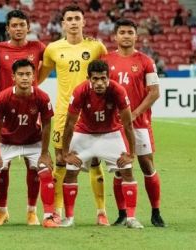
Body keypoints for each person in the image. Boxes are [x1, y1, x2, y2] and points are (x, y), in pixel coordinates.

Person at [38, 4, 109, 225]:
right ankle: (58, 211)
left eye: (77, 18)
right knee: (60, 161)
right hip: (62, 113)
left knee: (95, 160)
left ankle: (101, 212)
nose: (74, 22)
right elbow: (37, 79)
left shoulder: (97, 47)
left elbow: (106, 78)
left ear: (84, 21)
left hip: (90, 113)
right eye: (69, 19)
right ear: (63, 23)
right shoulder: (52, 49)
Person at [0, 59, 58, 228]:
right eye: (21, 74)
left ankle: (45, 216)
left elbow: (47, 124)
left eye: (28, 74)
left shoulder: (42, 97)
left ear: (33, 76)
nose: (25, 78)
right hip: (7, 141)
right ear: (13, 77)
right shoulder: (3, 97)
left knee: (45, 171)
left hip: (33, 142)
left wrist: (44, 153)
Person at [60, 59, 144, 229]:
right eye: (95, 79)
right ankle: (69, 218)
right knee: (70, 173)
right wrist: (65, 152)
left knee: (127, 170)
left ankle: (131, 218)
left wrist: (131, 153)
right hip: (84, 134)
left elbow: (128, 124)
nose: (99, 83)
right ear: (88, 78)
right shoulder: (80, 91)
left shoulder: (118, 91)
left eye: (103, 78)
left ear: (108, 77)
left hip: (111, 135)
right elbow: (69, 124)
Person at [102, 19, 165, 227]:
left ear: (136, 36)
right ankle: (122, 213)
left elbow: (154, 92)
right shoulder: (106, 60)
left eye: (130, 32)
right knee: (120, 167)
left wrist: (135, 112)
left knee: (147, 165)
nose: (126, 35)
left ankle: (156, 212)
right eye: (122, 32)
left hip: (140, 123)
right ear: (115, 36)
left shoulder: (146, 61)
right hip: (115, 125)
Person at [0, 10, 46, 226]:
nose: (18, 28)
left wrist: (34, 85)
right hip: (6, 111)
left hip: (31, 110)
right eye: (14, 25)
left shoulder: (38, 47)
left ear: (28, 27)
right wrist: (5, 86)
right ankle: (2, 210)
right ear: (7, 28)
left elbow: (48, 64)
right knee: (2, 166)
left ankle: (32, 211)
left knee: (33, 165)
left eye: (22, 24)